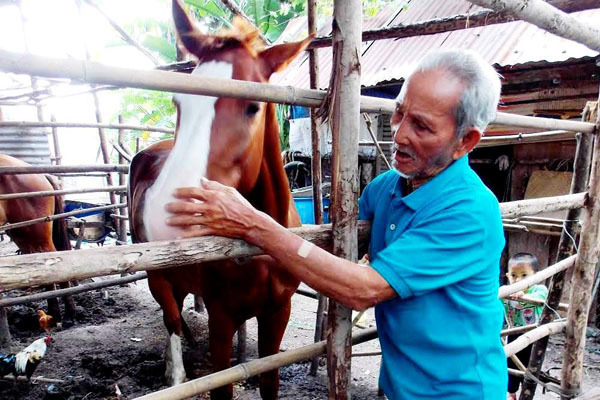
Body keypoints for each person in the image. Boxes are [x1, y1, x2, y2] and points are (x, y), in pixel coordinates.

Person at [164, 49, 507, 399]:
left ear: (465, 142)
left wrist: (254, 224)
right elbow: (332, 245)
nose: (401, 134)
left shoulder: (470, 211)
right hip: (399, 387)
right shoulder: (386, 188)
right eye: (399, 112)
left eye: (421, 126)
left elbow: (364, 288)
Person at [503, 253, 549, 400]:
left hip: (534, 336)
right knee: (510, 363)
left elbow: (538, 299)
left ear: (535, 276)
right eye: (514, 275)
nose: (518, 279)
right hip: (513, 333)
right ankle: (511, 393)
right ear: (507, 275)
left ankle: (527, 392)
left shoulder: (539, 290)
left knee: (530, 365)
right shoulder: (506, 290)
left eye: (524, 275)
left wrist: (522, 294)